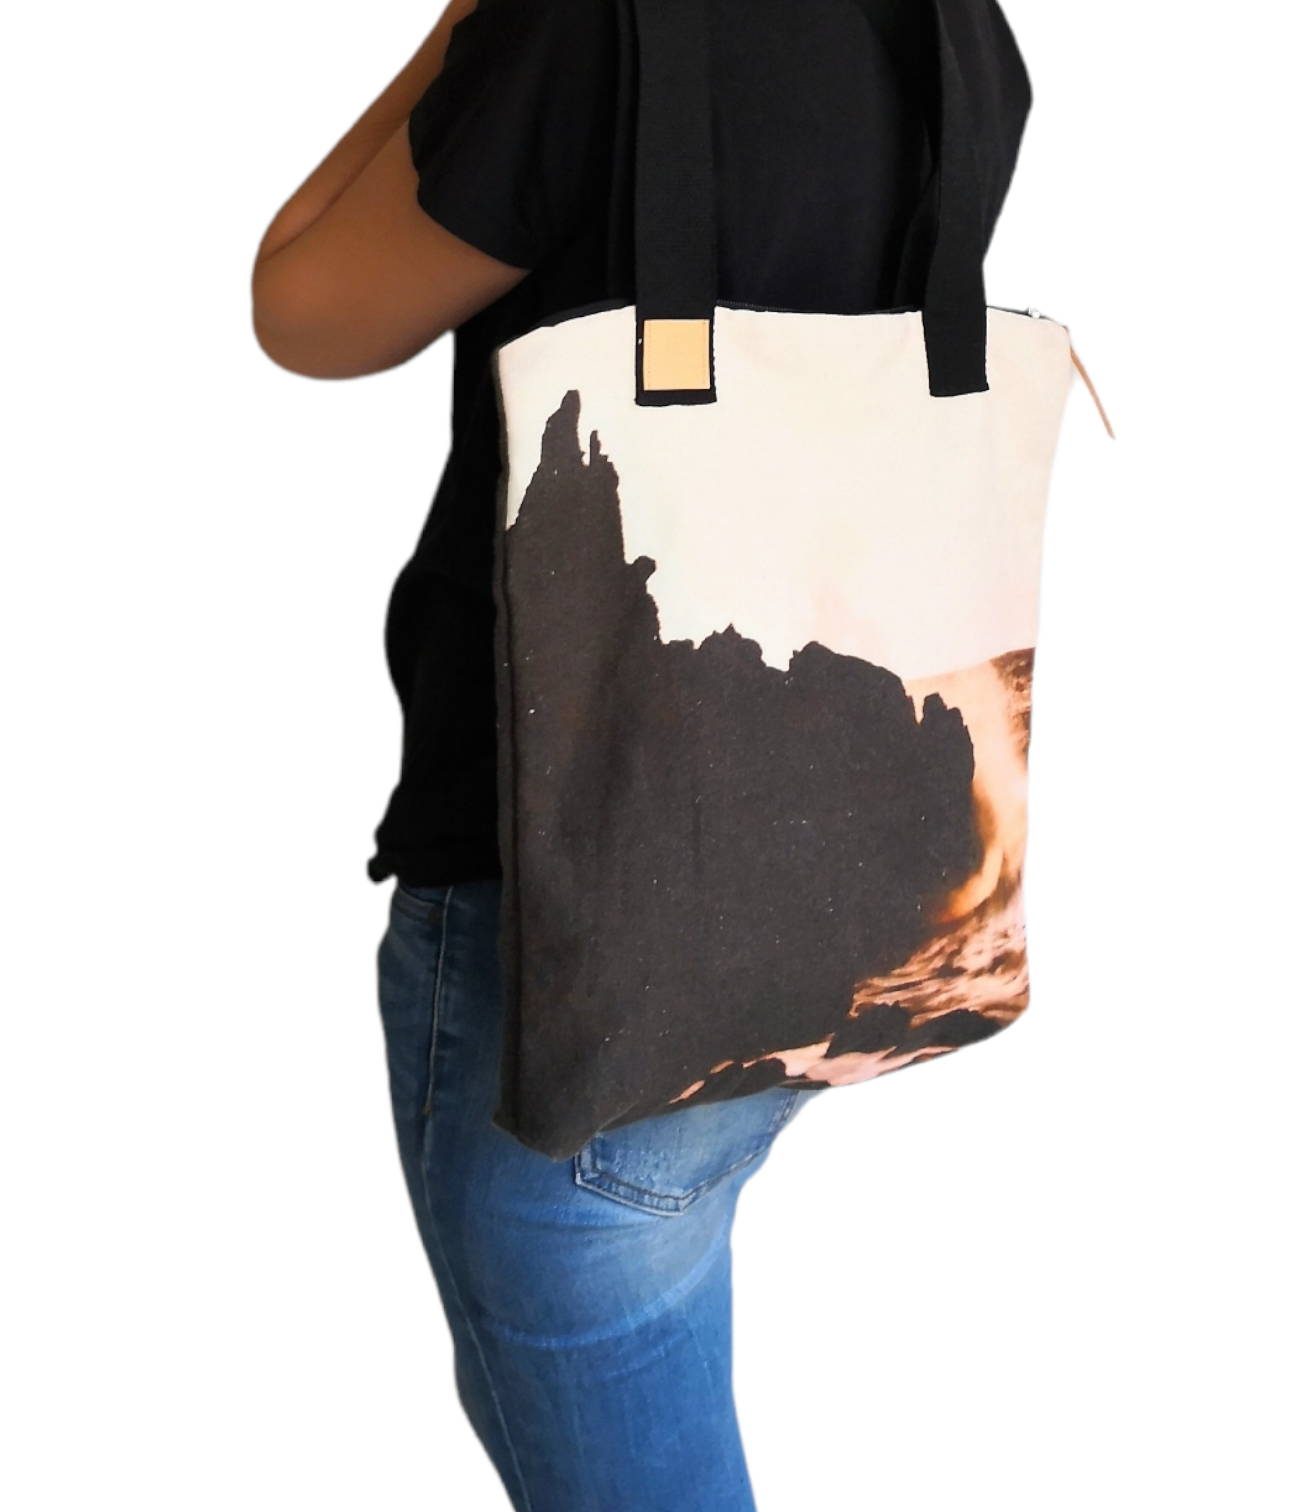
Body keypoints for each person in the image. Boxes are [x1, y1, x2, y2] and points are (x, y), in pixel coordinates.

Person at [252, 1, 1025, 1506]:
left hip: (568, 960)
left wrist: (465, 27)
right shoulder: (951, 19)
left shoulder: (584, 25)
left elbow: (303, 307)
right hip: (834, 929)